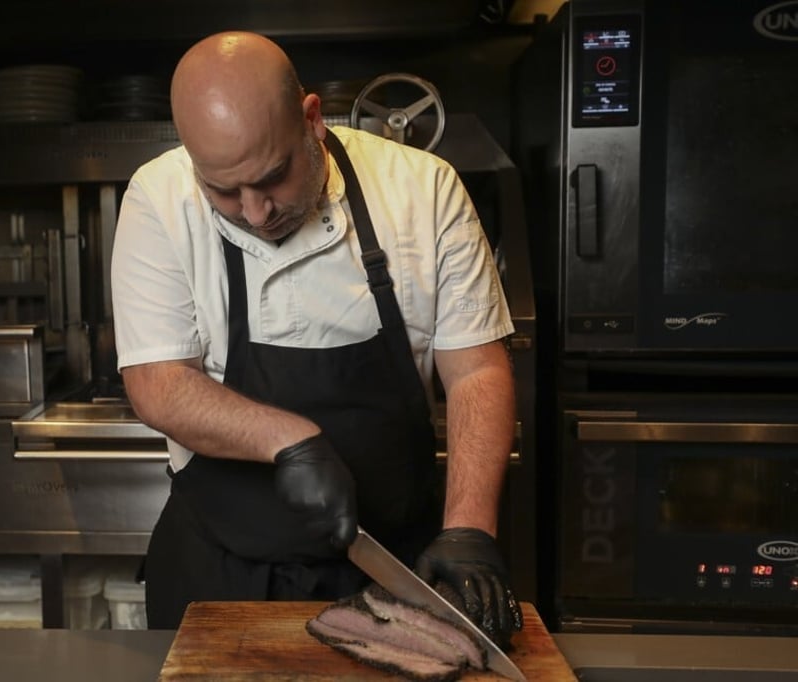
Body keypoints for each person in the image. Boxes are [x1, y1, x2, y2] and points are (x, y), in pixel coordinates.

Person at [111, 30, 523, 647]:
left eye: (273, 177)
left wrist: (469, 529)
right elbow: (157, 382)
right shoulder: (158, 196)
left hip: (396, 570)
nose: (256, 212)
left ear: (312, 120)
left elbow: (477, 371)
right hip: (220, 572)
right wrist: (290, 440)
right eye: (223, 191)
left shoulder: (423, 190)